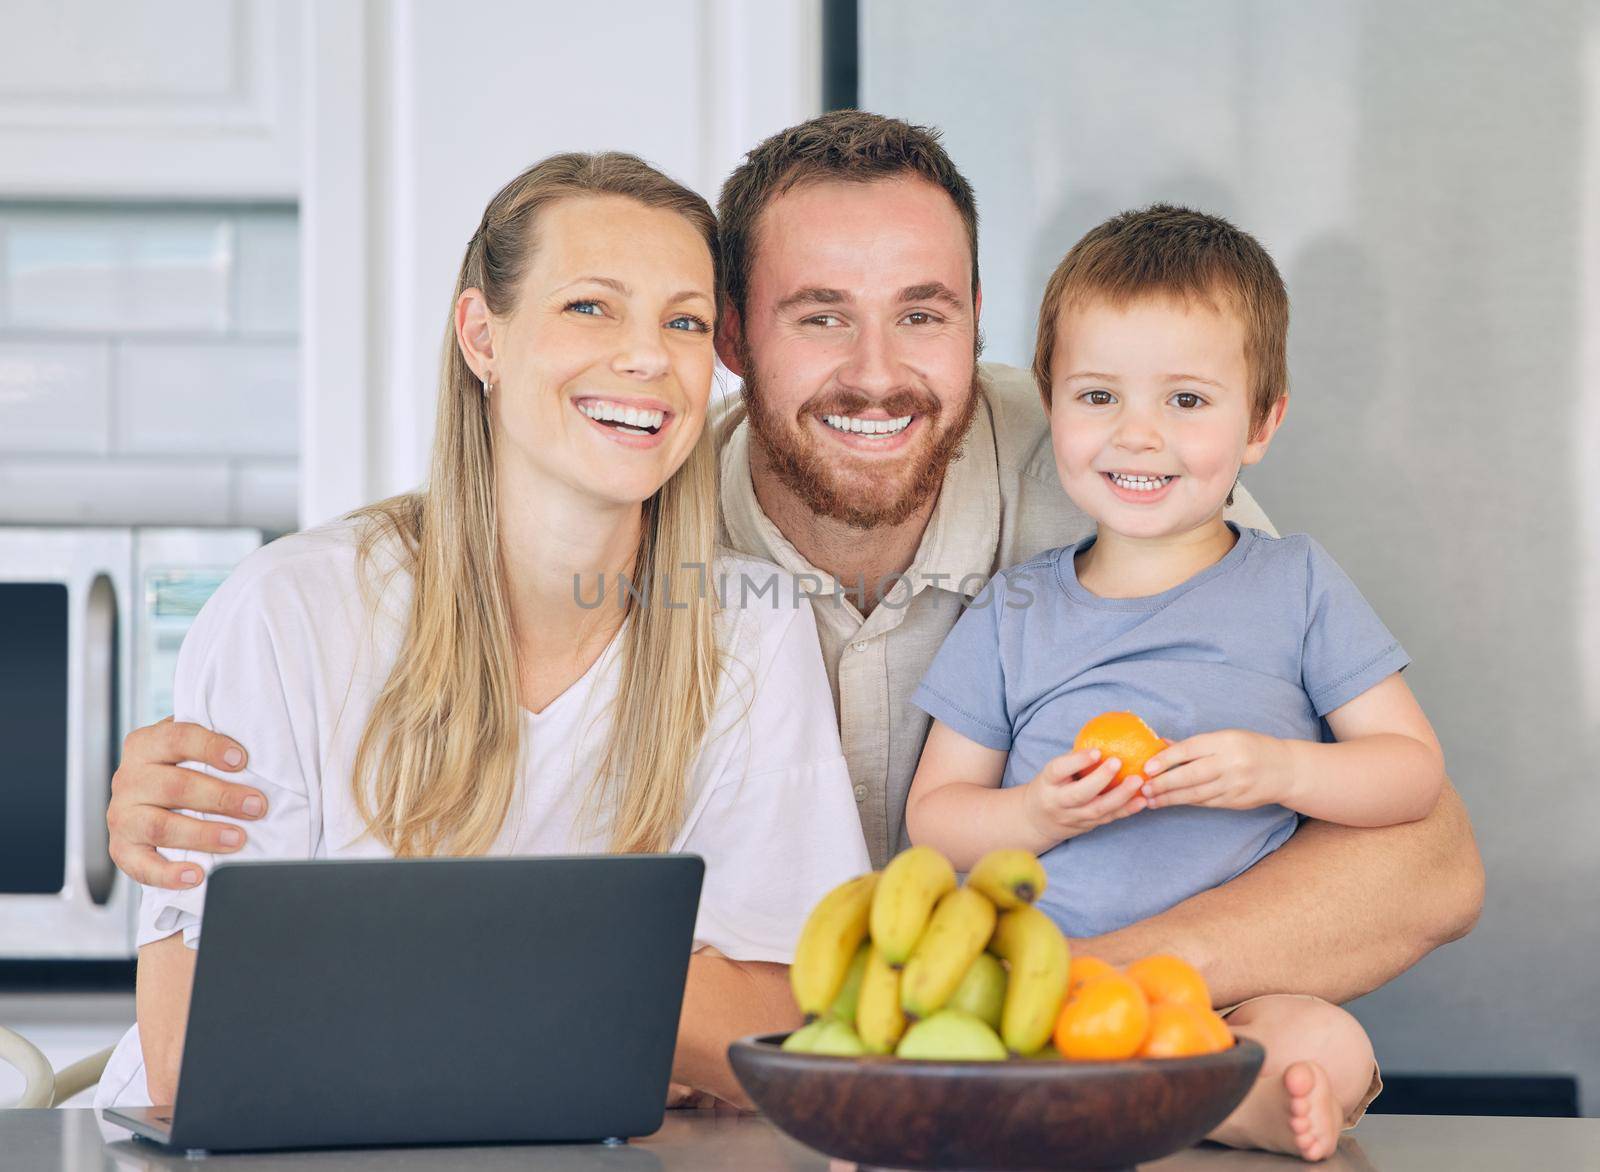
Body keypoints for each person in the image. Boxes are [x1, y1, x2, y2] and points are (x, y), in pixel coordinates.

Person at [107, 113, 1483, 1094]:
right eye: (818, 312)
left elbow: (1424, 858)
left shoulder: (1119, 466)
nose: (878, 372)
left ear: (982, 319)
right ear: (742, 344)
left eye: (925, 312)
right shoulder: (646, 505)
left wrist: (1061, 1008)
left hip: (1053, 1083)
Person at [92, 152, 870, 1112]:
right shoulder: (289, 612)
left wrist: (383, 966)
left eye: (685, 321)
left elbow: (794, 1035)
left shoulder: (749, 630)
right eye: (590, 306)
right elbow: (194, 1049)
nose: (647, 357)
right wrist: (640, 994)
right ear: (481, 335)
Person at [906, 205, 1446, 1160]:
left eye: (1187, 401)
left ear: (1263, 422)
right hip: (1052, 978)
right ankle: (1119, 1099)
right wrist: (1036, 813)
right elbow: (936, 815)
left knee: (1322, 1040)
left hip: (1241, 986)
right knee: (946, 1034)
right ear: (1050, 401)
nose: (1139, 436)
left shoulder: (1296, 581)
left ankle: (1248, 1104)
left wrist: (1282, 770)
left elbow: (1409, 774)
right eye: (1099, 396)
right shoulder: (1011, 608)